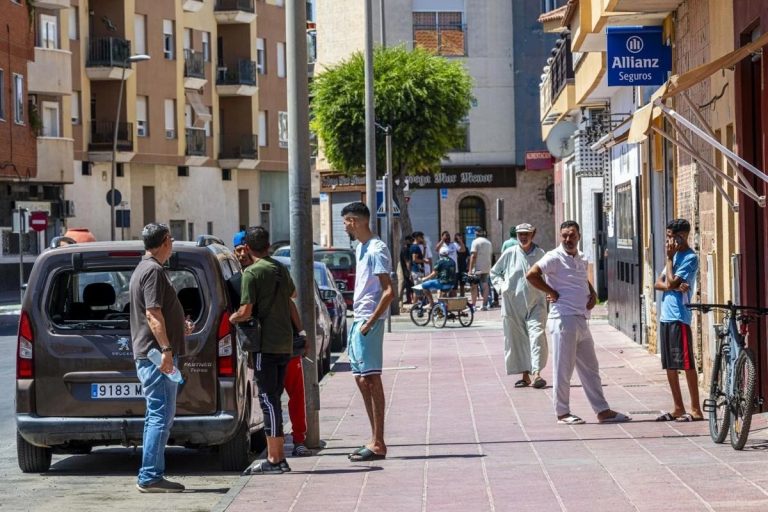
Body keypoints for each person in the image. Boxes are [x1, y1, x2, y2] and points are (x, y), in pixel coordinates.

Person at [526, 220, 630, 425]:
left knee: (591, 368)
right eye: (564, 235)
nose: (568, 239)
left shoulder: (581, 258)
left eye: (572, 235)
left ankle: (602, 410)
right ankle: (562, 413)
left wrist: (592, 293)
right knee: (563, 369)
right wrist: (551, 292)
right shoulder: (553, 257)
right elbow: (532, 275)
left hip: (581, 318)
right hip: (563, 319)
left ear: (579, 236)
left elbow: (582, 278)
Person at [229, 231, 312, 458]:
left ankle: (275, 458)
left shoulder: (252, 274)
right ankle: (285, 449)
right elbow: (292, 295)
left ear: (246, 247)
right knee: (277, 396)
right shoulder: (280, 269)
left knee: (268, 399)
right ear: (268, 245)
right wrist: (302, 333)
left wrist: (232, 318)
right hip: (284, 344)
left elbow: (245, 312)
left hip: (264, 345)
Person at [130, 223, 192, 493]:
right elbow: (152, 314)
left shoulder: (145, 268)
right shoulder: (153, 270)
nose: (174, 243)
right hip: (156, 356)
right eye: (172, 239)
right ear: (166, 240)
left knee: (156, 415)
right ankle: (151, 476)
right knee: (160, 415)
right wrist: (167, 350)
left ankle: (150, 473)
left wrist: (180, 326)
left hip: (153, 354)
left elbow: (159, 312)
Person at [341, 202, 394, 462]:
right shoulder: (361, 248)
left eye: (346, 221)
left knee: (371, 378)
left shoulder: (376, 248)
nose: (345, 226)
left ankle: (379, 443)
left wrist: (370, 322)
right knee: (361, 379)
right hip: (358, 319)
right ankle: (373, 439)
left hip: (367, 321)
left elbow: (388, 291)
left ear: (356, 221)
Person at [654, 218, 702, 422]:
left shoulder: (689, 258)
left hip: (679, 316)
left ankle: (696, 409)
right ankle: (678, 407)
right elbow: (659, 283)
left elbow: (672, 280)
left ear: (684, 235)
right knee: (670, 365)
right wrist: (671, 285)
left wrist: (668, 260)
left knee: (686, 362)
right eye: (668, 237)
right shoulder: (674, 257)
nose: (670, 241)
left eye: (673, 237)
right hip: (665, 315)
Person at [490, 223, 548, 389]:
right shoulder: (510, 253)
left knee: (537, 335)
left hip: (536, 302)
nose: (523, 237)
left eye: (526, 234)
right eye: (520, 234)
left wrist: (551, 292)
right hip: (513, 303)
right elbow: (495, 272)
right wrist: (502, 287)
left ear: (533, 234)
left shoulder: (540, 254)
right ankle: (525, 375)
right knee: (519, 339)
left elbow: (549, 275)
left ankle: (536, 373)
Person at [468, 229, 493, 310]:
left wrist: (470, 269)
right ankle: (484, 305)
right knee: (485, 286)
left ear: (476, 234)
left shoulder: (475, 242)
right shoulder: (489, 242)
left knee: (474, 286)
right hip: (486, 268)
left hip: (477, 268)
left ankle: (474, 306)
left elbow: (473, 256)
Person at [399, 235, 415, 305]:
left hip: (407, 269)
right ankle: (409, 299)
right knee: (408, 285)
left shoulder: (409, 248)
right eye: (410, 240)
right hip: (406, 270)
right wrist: (409, 271)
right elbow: (407, 261)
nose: (411, 242)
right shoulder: (405, 249)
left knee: (409, 285)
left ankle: (410, 299)